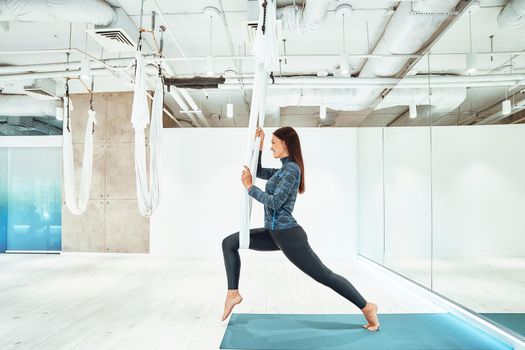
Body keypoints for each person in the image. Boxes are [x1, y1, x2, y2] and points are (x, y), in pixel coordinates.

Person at [221, 126, 380, 332]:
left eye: (273, 143)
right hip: (273, 233)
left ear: (285, 144)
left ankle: (367, 307)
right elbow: (259, 171)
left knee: (324, 275)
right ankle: (233, 293)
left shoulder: (292, 170)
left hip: (288, 235)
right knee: (229, 243)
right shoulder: (284, 169)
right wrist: (258, 148)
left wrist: (250, 188)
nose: (271, 147)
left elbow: (276, 202)